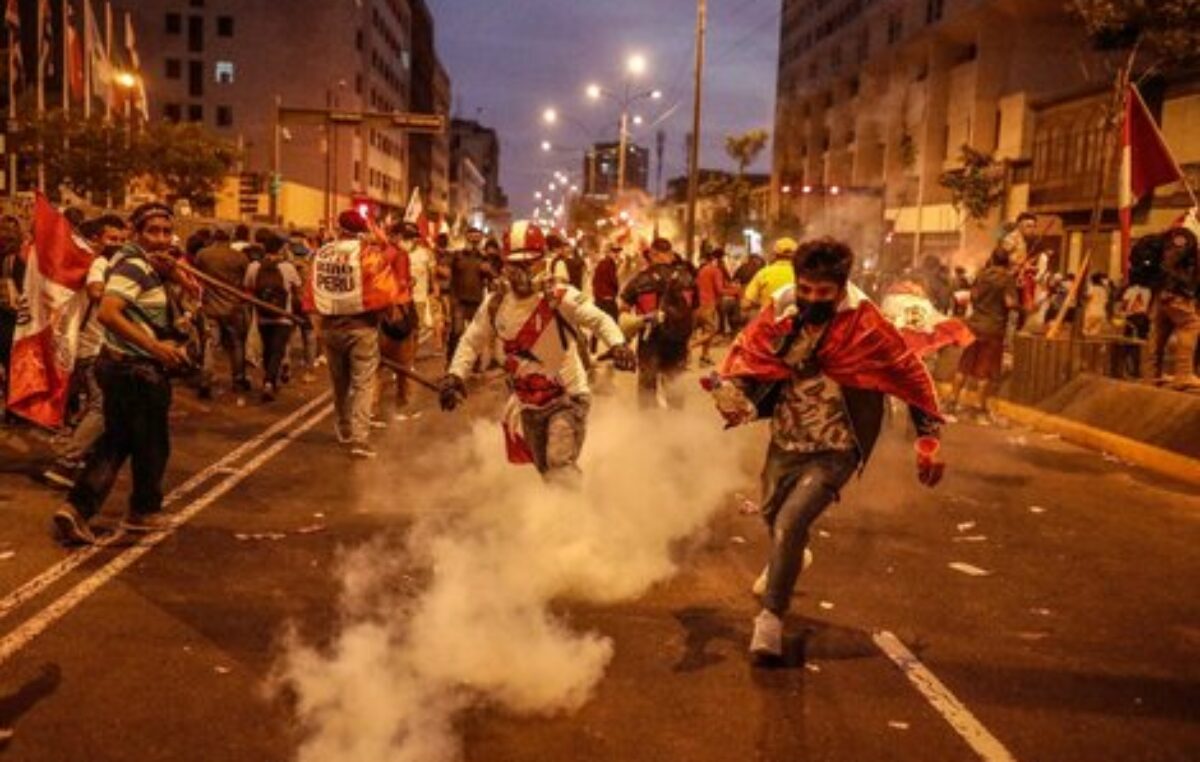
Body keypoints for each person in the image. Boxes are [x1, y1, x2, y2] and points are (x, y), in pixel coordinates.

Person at [709, 238, 944, 662]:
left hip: (837, 446)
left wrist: (928, 438)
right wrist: (732, 390)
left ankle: (771, 621)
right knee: (773, 517)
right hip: (786, 440)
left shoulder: (867, 324)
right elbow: (751, 358)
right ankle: (792, 552)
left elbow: (910, 372)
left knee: (789, 520)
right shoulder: (781, 311)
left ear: (841, 288)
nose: (812, 299)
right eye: (806, 289)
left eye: (824, 293)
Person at [439, 221, 635, 483]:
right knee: (547, 472)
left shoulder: (560, 295)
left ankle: (573, 522)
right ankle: (568, 513)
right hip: (528, 404)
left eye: (528, 264)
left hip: (568, 398)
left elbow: (598, 319)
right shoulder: (496, 302)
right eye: (514, 265)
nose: (521, 273)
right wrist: (455, 375)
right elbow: (472, 340)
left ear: (542, 262)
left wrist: (618, 344)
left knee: (559, 465)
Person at [51, 203, 195, 545]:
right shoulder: (132, 266)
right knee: (152, 446)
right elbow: (109, 313)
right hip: (135, 370)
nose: (161, 238)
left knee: (116, 442)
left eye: (166, 231)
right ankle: (142, 512)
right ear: (135, 233)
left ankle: (76, 509)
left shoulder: (145, 265)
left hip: (124, 367)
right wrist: (156, 348)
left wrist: (174, 277)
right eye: (152, 231)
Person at [42, 215, 129, 489]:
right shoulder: (100, 264)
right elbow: (94, 291)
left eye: (122, 239)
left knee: (100, 406)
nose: (117, 244)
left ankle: (80, 455)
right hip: (93, 349)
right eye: (112, 239)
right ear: (97, 240)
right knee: (101, 407)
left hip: (97, 348)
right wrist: (121, 298)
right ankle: (66, 462)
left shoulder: (110, 263)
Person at [307, 210, 400, 459]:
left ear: (338, 228)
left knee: (340, 384)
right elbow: (390, 262)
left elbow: (310, 294)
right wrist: (383, 238)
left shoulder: (321, 254)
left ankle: (344, 427)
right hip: (361, 328)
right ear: (362, 230)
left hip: (330, 328)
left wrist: (317, 327)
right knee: (363, 384)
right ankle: (360, 439)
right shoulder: (367, 254)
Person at [620, 237, 697, 409]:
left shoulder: (640, 279)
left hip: (650, 340)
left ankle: (649, 428)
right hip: (678, 341)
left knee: (647, 385)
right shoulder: (687, 278)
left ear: (653, 254)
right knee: (675, 384)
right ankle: (676, 425)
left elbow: (623, 309)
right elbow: (694, 310)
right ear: (670, 254)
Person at [948, 247, 1018, 419]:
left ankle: (952, 400)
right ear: (1007, 262)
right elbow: (1010, 303)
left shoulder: (981, 275)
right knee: (985, 369)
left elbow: (973, 296)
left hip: (974, 325)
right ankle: (979, 406)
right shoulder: (1007, 279)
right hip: (993, 328)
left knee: (964, 364)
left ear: (992, 260)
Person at [244, 233, 302, 402]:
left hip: (262, 316)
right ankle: (269, 382)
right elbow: (298, 289)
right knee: (278, 351)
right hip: (284, 317)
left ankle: (270, 379)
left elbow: (248, 287)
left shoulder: (254, 267)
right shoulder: (288, 268)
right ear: (281, 249)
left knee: (268, 350)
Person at [195, 228, 251, 397]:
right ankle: (239, 379)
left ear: (214, 238)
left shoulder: (203, 255)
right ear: (230, 238)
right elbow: (245, 281)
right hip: (233, 307)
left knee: (211, 345)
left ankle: (205, 380)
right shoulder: (240, 257)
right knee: (236, 344)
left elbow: (198, 275)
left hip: (211, 306)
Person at [1143, 227, 1199, 388]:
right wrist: (1178, 286)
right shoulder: (1184, 234)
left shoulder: (1178, 234)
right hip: (1174, 292)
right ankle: (1183, 374)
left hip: (1165, 292)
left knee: (1160, 332)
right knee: (1191, 325)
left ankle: (1152, 375)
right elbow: (1169, 261)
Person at [446, 227, 491, 363]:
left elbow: (493, 276)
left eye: (477, 236)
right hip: (459, 300)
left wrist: (488, 270)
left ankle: (474, 362)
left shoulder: (484, 258)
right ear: (467, 237)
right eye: (472, 236)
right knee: (457, 332)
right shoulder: (457, 255)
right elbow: (447, 273)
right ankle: (451, 360)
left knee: (475, 334)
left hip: (476, 300)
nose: (474, 239)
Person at [693, 248, 728, 366]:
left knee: (706, 329)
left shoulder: (702, 270)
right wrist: (735, 291)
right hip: (708, 304)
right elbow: (719, 289)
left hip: (699, 303)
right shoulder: (715, 270)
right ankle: (689, 347)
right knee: (712, 330)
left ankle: (705, 356)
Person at [743, 238, 798, 311]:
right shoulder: (801, 274)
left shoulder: (763, 273)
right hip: (795, 320)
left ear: (775, 255)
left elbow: (746, 304)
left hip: (768, 320)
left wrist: (763, 305)